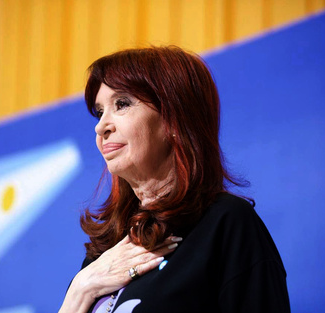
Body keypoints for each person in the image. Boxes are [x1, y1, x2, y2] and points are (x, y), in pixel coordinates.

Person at [59, 46, 290, 313]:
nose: (101, 126)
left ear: (173, 120)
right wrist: (81, 288)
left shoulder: (225, 224)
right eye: (100, 112)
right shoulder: (107, 250)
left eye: (121, 104)